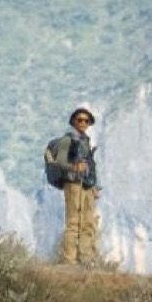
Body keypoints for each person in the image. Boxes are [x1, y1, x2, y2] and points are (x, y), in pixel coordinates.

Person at [52, 108, 100, 266]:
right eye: (80, 120)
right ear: (73, 121)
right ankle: (69, 260)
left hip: (86, 185)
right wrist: (74, 167)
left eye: (86, 121)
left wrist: (93, 186)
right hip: (73, 185)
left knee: (88, 222)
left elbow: (90, 165)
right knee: (73, 223)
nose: (83, 123)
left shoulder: (86, 140)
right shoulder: (67, 140)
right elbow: (59, 161)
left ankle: (85, 259)